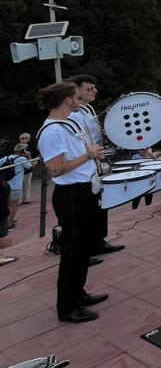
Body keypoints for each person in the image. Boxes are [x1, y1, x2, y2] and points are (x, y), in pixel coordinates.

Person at [36, 82, 108, 323]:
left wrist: (90, 151)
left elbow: (72, 155)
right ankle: (67, 307)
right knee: (73, 253)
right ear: (68, 100)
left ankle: (78, 294)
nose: (81, 100)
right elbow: (56, 170)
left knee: (82, 249)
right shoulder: (53, 131)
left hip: (83, 190)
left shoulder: (68, 124)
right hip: (71, 196)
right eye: (77, 96)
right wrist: (87, 155)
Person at [68, 74, 125, 256]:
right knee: (86, 210)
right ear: (77, 91)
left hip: (95, 163)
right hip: (84, 166)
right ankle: (86, 248)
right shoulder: (74, 115)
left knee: (99, 205)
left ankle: (97, 241)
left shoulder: (88, 109)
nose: (94, 91)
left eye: (94, 87)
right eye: (89, 88)